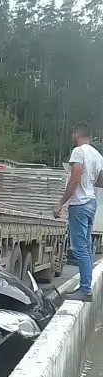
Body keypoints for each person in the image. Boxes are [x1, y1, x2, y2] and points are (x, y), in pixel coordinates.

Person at [54, 123, 103, 301]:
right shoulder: (97, 155)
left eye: (72, 134)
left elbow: (74, 181)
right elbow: (101, 182)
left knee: (80, 248)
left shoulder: (79, 152)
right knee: (87, 248)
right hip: (91, 203)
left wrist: (60, 203)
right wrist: (87, 182)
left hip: (80, 205)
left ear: (76, 134)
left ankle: (85, 290)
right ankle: (85, 286)